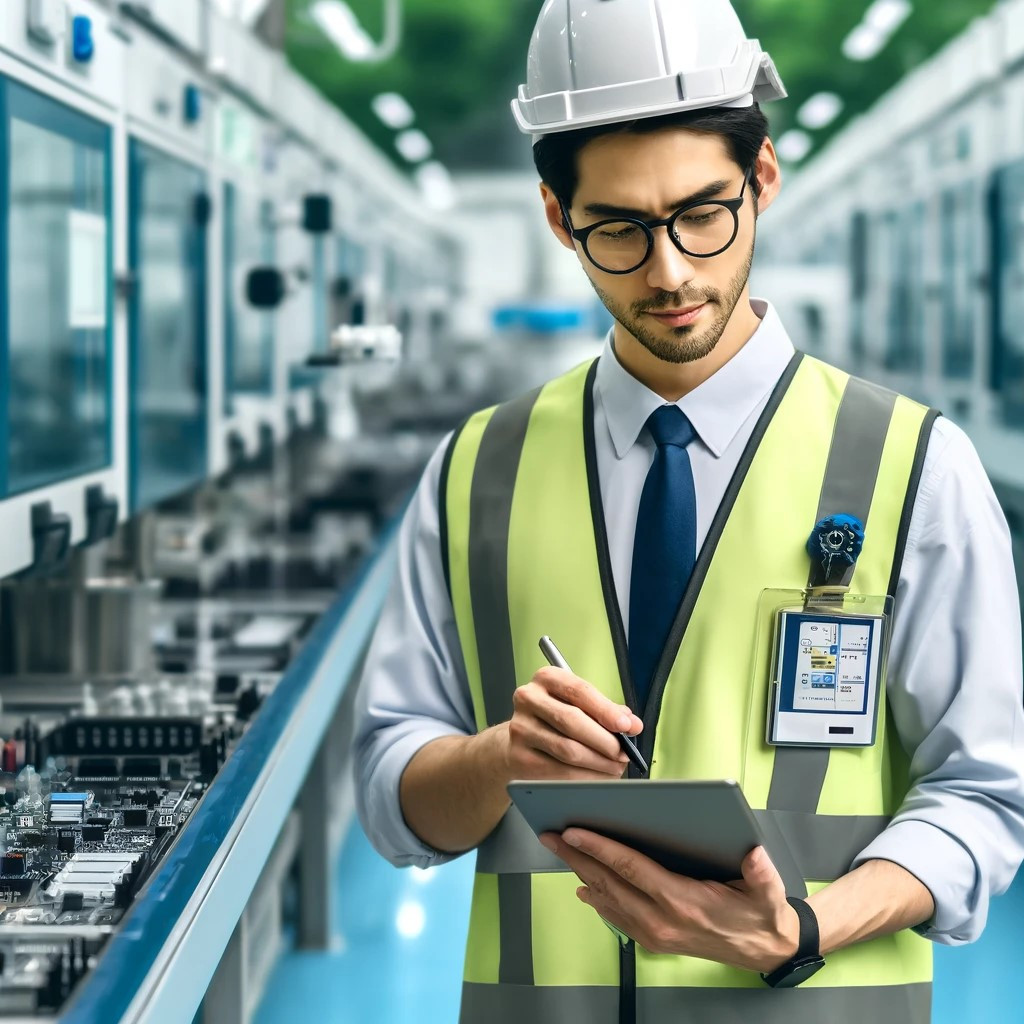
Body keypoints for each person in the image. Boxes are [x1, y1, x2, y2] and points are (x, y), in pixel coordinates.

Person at [354, 1, 1024, 1021]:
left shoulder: (913, 465)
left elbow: (982, 797)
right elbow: (393, 795)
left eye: (701, 214)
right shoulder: (476, 470)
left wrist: (804, 926)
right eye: (617, 230)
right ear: (555, 217)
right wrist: (501, 757)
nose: (668, 273)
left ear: (761, 179)